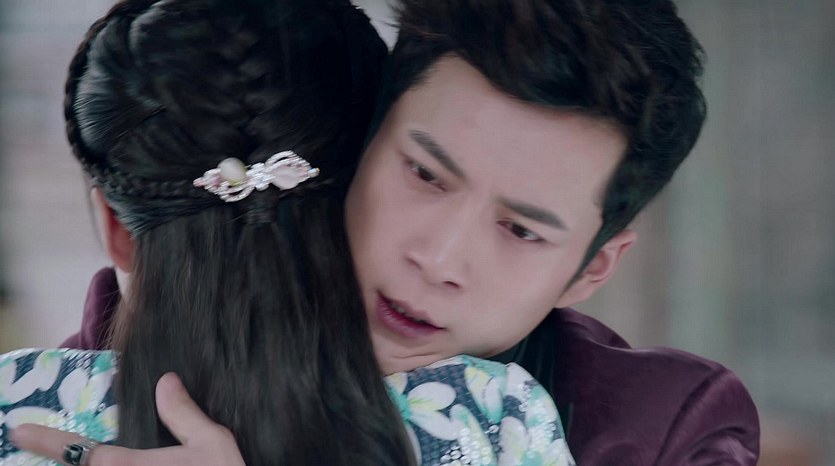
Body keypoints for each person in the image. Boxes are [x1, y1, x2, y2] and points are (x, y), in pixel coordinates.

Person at [13, 0, 760, 464]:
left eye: (521, 230)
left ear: (592, 268)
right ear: (359, 140)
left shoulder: (660, 429)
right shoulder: (49, 402)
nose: (437, 259)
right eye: (425, 175)